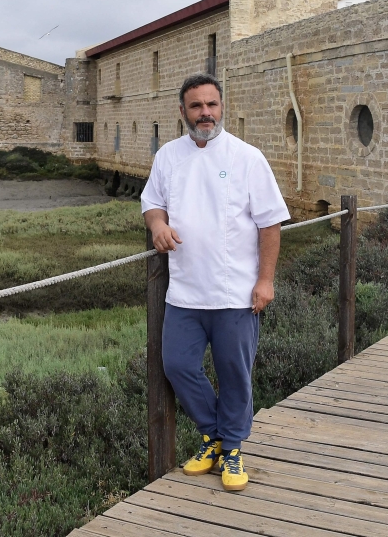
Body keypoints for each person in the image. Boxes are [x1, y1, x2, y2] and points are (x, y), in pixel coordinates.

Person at [141, 72, 289, 492]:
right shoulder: (168, 156)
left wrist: (265, 281)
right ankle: (216, 436)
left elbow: (270, 224)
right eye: (196, 106)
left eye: (212, 104)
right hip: (185, 292)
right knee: (178, 366)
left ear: (222, 107)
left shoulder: (247, 157)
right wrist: (157, 225)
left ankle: (234, 447)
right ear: (182, 111)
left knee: (235, 374)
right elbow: (152, 202)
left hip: (236, 292)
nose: (205, 113)